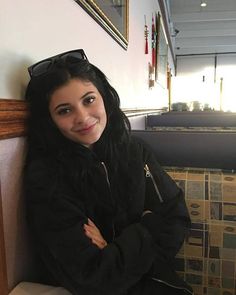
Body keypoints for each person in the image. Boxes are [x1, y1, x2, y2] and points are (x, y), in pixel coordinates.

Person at [24, 49, 193, 295]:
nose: (82, 117)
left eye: (89, 100)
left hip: (160, 283)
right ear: (50, 120)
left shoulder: (136, 152)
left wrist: (114, 246)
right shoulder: (46, 177)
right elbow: (94, 276)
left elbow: (176, 219)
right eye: (64, 110)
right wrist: (146, 226)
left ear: (104, 97)